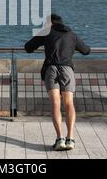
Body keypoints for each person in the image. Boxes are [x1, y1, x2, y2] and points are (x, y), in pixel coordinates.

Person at [25, 14, 91, 151]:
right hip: (67, 69)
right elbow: (86, 51)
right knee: (69, 103)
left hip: (51, 69)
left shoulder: (46, 32)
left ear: (50, 23)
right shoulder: (72, 34)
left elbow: (28, 47)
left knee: (55, 103)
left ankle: (60, 139)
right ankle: (70, 139)